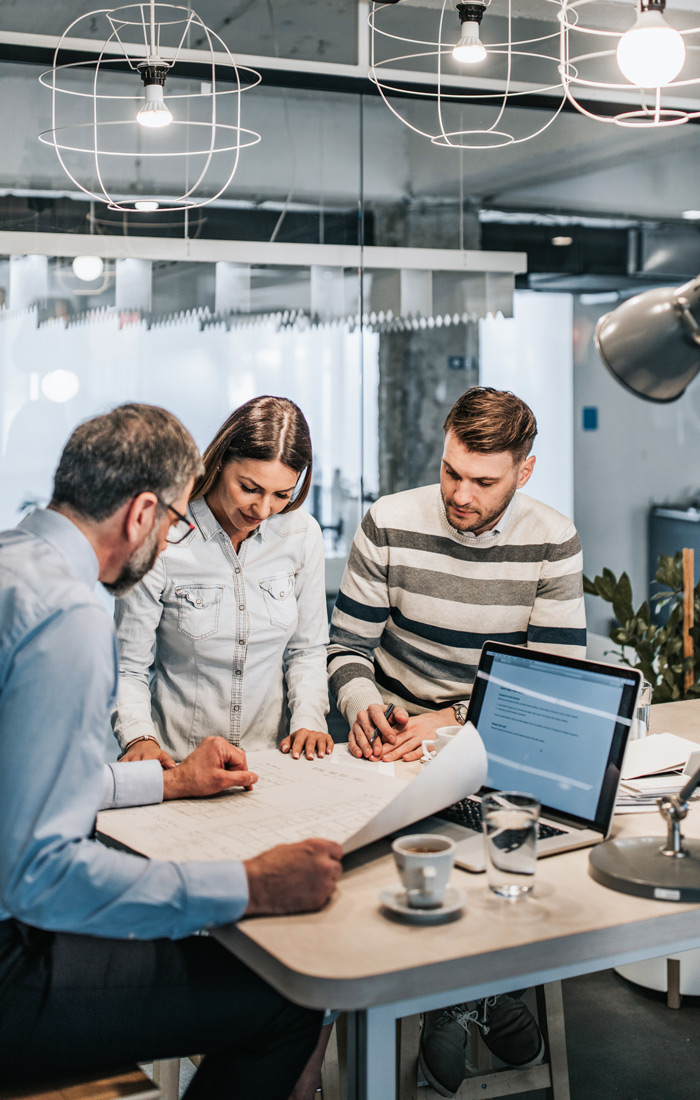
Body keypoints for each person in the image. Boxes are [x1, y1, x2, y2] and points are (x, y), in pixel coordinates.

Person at [0, 404, 343, 1098]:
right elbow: (37, 875)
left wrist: (170, 782)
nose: (173, 539)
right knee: (290, 998)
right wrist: (248, 886)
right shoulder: (69, 616)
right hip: (11, 963)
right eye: (176, 520)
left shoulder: (15, 562)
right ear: (141, 515)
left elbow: (28, 783)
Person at [327, 386, 586, 1097]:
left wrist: (447, 721)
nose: (460, 494)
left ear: (524, 471)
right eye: (450, 471)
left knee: (505, 848)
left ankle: (462, 997)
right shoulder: (389, 521)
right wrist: (365, 708)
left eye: (483, 481)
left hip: (498, 737)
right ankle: (475, 995)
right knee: (389, 866)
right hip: (391, 741)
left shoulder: (552, 537)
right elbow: (346, 648)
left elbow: (551, 679)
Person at [112, 395, 332, 767]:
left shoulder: (301, 534)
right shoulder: (165, 535)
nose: (262, 509)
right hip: (178, 761)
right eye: (249, 488)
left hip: (269, 762)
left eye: (282, 494)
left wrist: (308, 720)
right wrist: (140, 739)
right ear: (219, 462)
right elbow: (127, 666)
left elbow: (307, 651)